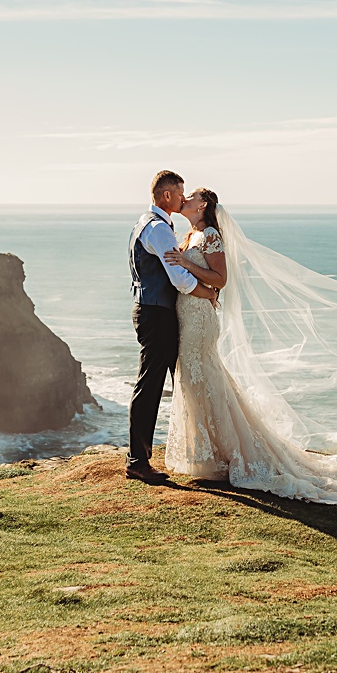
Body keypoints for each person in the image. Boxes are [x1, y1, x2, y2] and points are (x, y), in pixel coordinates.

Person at [160, 187, 337, 504]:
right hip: (188, 316)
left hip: (200, 322)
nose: (184, 201)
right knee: (195, 380)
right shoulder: (191, 233)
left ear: (204, 204)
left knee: (203, 379)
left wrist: (187, 264)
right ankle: (206, 453)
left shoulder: (210, 234)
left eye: (190, 197)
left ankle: (227, 453)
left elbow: (220, 279)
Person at [125, 170, 220, 484]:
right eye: (180, 193)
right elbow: (179, 279)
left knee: (181, 383)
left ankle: (197, 449)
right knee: (151, 385)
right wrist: (207, 292)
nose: (183, 198)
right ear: (167, 196)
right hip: (157, 315)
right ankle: (138, 461)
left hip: (150, 311)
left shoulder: (145, 223)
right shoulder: (160, 230)